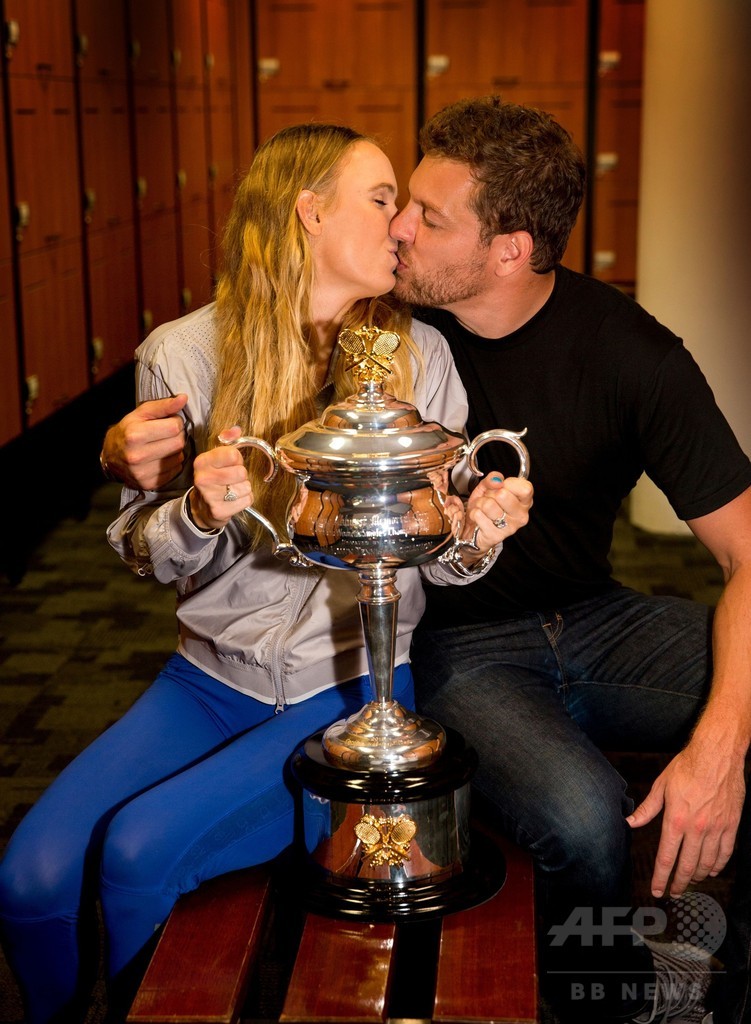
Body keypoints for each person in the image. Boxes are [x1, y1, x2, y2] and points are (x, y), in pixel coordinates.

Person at [98, 97, 751, 1024]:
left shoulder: (630, 353)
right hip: (458, 642)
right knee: (583, 818)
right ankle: (605, 997)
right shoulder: (383, 327)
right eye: (396, 202)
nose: (398, 228)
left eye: (427, 217)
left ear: (508, 251)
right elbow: (241, 371)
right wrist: (115, 449)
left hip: (594, 615)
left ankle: (707, 964)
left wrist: (720, 749)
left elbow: (746, 552)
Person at [0, 122, 533, 1024]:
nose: (402, 224)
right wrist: (199, 512)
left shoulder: (422, 356)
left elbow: (438, 563)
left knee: (136, 851)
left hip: (351, 690)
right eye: (381, 199)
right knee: (30, 875)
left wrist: (477, 530)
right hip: (204, 681)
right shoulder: (183, 354)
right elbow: (140, 547)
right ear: (309, 212)